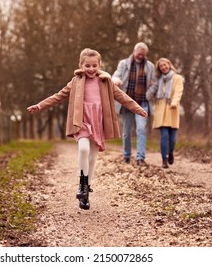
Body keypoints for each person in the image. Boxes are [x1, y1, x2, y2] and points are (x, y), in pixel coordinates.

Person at [27, 48, 148, 210]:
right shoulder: (76, 81)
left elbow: (123, 97)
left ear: (99, 65)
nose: (91, 69)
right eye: (87, 66)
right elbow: (59, 95)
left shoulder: (106, 82)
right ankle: (82, 185)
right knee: (83, 149)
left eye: (94, 66)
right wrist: (40, 105)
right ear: (81, 65)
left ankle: (86, 191)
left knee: (92, 157)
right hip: (82, 121)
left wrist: (138, 109)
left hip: (98, 122)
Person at [112, 42, 156, 166]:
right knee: (126, 131)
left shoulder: (150, 66)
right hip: (127, 102)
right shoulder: (123, 64)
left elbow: (155, 83)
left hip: (142, 102)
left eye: (143, 54)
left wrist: (148, 94)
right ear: (134, 51)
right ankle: (126, 155)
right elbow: (115, 75)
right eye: (139, 53)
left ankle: (140, 158)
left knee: (141, 129)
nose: (141, 56)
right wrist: (116, 80)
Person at [146, 57, 184, 168]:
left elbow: (178, 92)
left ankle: (170, 152)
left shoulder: (178, 78)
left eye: (164, 65)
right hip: (160, 110)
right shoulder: (159, 80)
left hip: (172, 109)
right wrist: (151, 85)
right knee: (164, 136)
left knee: (172, 139)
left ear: (169, 64)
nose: (163, 67)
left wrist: (174, 102)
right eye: (161, 66)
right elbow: (148, 95)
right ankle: (164, 160)